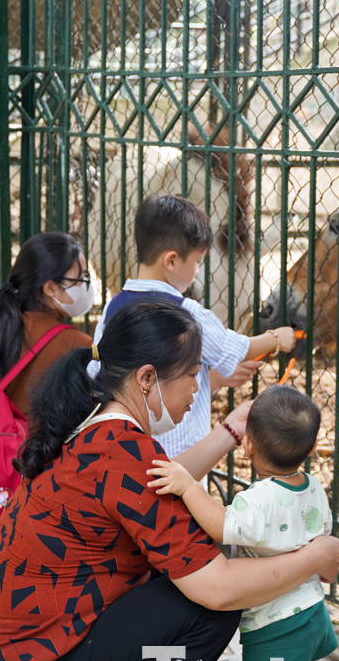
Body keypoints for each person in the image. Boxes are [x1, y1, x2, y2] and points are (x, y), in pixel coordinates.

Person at [0, 301, 339, 661]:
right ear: (147, 378)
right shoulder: (126, 454)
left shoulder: (94, 418)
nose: (199, 386)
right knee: (212, 606)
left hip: (3, 644)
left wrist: (229, 430)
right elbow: (218, 588)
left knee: (185, 567)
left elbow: (145, 486)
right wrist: (312, 559)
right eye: (193, 372)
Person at [148, 385, 336, 661]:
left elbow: (223, 527)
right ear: (313, 446)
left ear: (247, 445)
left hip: (272, 620)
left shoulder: (257, 500)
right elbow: (322, 533)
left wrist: (188, 487)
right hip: (312, 610)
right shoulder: (315, 488)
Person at [90, 194, 296, 479]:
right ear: (172, 261)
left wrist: (212, 379)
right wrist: (276, 338)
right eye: (198, 262)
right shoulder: (186, 312)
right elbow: (231, 347)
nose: (198, 271)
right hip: (178, 455)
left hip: (128, 449)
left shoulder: (114, 306)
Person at [0, 231, 95, 560]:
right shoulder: (75, 345)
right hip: (40, 477)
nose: (87, 286)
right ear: (50, 287)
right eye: (81, 278)